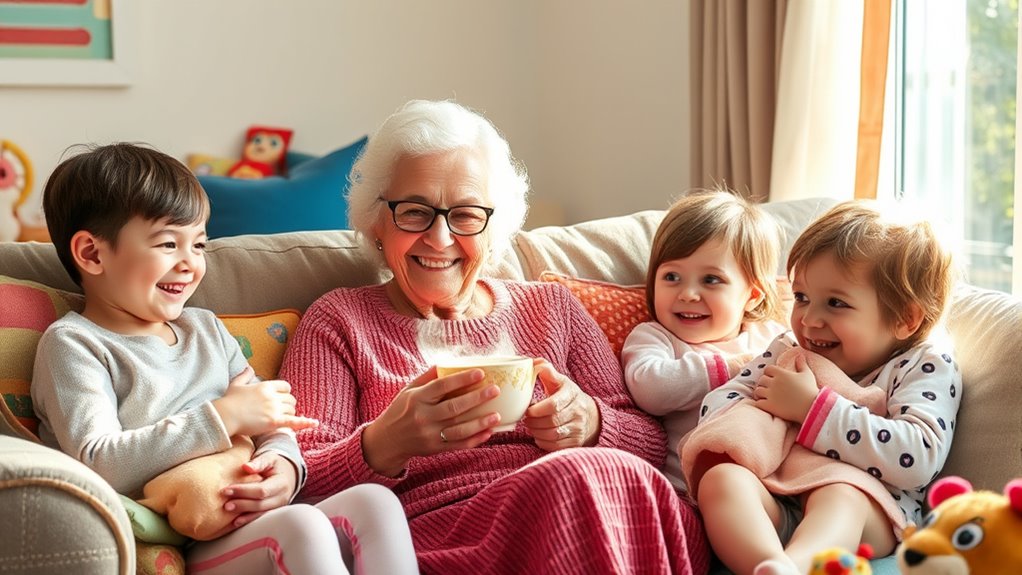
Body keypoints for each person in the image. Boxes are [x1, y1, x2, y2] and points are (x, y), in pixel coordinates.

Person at [278, 99, 711, 574]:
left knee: (595, 478)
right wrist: (384, 442)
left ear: (493, 227)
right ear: (377, 222)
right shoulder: (339, 321)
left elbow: (653, 445)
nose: (440, 239)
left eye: (465, 215)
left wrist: (590, 424)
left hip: (605, 506)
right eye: (415, 211)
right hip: (449, 536)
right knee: (580, 480)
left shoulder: (553, 307)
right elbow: (296, 477)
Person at [31, 143, 418, 575]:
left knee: (375, 501)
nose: (190, 264)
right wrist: (223, 417)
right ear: (92, 253)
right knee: (302, 526)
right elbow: (97, 460)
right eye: (167, 244)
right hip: (183, 535)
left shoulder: (207, 330)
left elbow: (271, 424)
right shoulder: (75, 345)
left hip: (253, 508)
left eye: (197, 244)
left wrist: (285, 469)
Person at [686, 201, 960, 575]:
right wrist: (761, 413)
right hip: (778, 493)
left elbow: (919, 456)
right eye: (801, 298)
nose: (810, 319)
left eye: (835, 303)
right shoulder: (788, 348)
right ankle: (768, 565)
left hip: (869, 509)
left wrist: (812, 409)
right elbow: (721, 401)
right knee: (721, 479)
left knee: (840, 494)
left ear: (905, 318)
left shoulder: (923, 364)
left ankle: (797, 567)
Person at [621, 189, 788, 493]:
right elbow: (651, 388)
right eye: (672, 277)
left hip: (774, 486)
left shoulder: (773, 338)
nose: (687, 294)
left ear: (752, 296)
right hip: (693, 493)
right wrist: (733, 367)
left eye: (711, 280)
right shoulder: (655, 338)